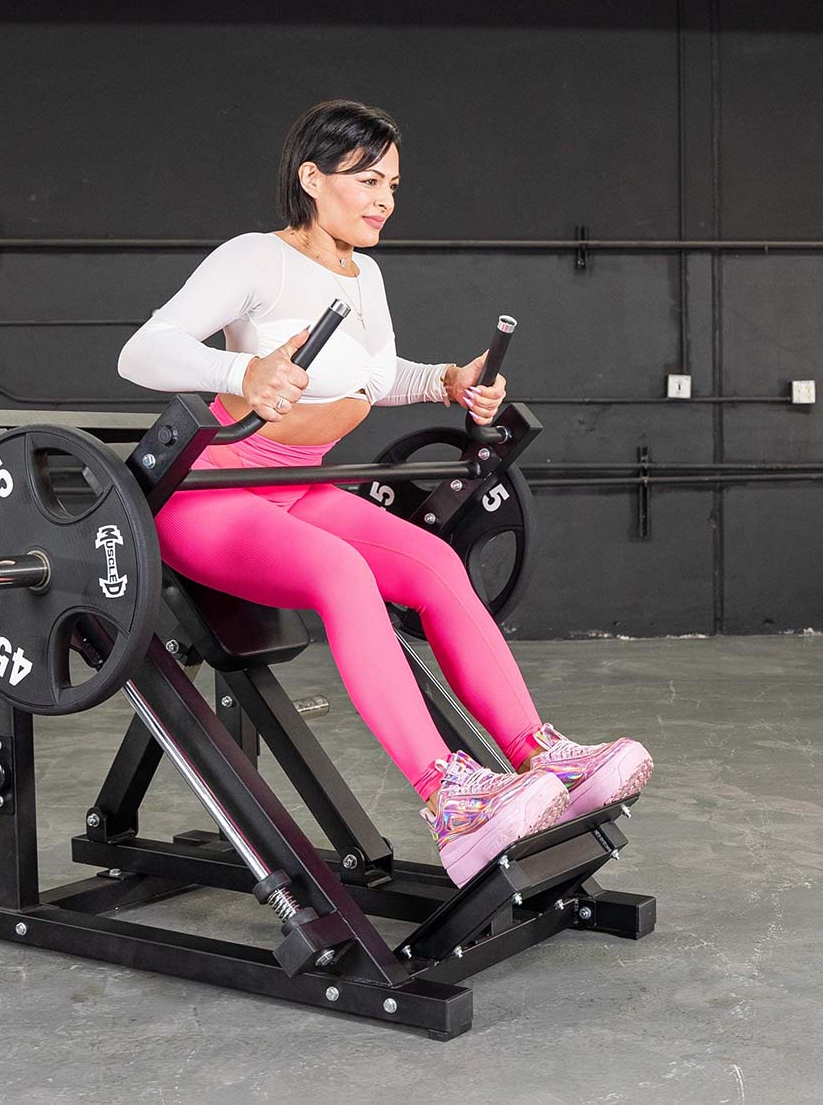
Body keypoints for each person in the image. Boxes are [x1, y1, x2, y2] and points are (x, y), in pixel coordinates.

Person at [118, 99, 652, 888]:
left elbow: (375, 375)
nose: (383, 201)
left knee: (433, 562)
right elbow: (142, 352)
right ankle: (451, 801)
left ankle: (542, 756)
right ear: (311, 177)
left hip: (297, 485)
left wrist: (445, 381)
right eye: (366, 180)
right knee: (343, 573)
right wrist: (241, 372)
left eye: (392, 184)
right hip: (212, 492)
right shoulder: (253, 259)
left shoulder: (363, 272)